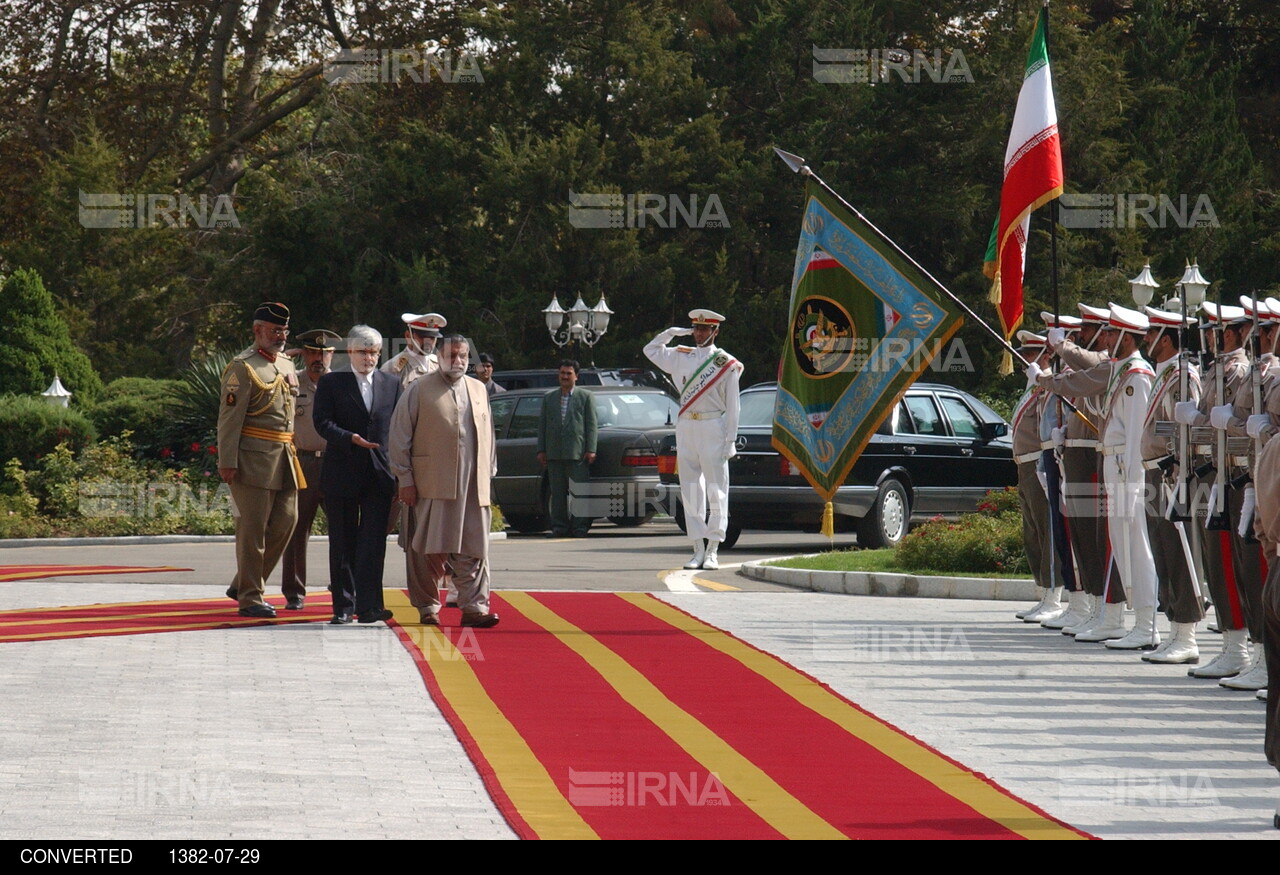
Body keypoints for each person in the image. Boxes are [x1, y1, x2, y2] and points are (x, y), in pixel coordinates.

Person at [389, 334, 500, 628]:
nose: (459, 361)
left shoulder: (478, 389)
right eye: (452, 355)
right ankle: (427, 606)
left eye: (463, 356)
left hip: (472, 488)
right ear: (439, 357)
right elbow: (399, 438)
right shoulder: (418, 389)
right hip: (430, 486)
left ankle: (474, 607)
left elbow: (489, 437)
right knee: (426, 550)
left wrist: (488, 477)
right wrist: (405, 480)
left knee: (474, 549)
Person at [217, 302, 303, 619]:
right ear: (257, 331)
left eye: (284, 330)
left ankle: (243, 582)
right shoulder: (243, 366)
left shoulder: (286, 363)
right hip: (252, 460)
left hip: (284, 458)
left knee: (286, 522)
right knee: (252, 532)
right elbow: (229, 419)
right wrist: (227, 461)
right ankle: (250, 598)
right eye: (274, 330)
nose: (280, 336)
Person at [313, 325, 402, 625]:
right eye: (364, 351)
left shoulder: (392, 383)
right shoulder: (332, 382)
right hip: (342, 471)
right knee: (342, 541)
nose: (370, 358)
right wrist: (349, 438)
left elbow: (399, 428)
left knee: (373, 543)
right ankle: (343, 606)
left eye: (375, 352)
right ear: (350, 351)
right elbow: (322, 422)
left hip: (379, 474)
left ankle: (370, 606)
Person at [644, 308, 743, 571]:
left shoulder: (726, 363)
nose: (699, 333)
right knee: (690, 489)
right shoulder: (680, 355)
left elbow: (734, 406)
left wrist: (730, 439)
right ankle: (697, 548)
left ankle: (713, 549)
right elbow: (650, 350)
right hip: (687, 425)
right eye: (696, 329)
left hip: (713, 426)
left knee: (716, 490)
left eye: (704, 329)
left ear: (715, 331)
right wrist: (671, 333)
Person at [381, 311, 453, 606]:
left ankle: (437, 590)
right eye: (424, 337)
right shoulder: (394, 368)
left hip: (434, 464)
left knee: (435, 528)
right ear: (409, 335)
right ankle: (358, 582)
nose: (430, 343)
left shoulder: (442, 365)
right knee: (382, 525)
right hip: (401, 462)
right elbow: (384, 416)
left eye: (434, 338)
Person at [280, 328, 341, 611]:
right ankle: (294, 592)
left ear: (332, 355)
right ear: (303, 354)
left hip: (335, 462)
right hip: (302, 461)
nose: (319, 358)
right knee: (296, 529)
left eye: (324, 353)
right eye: (313, 352)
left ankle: (342, 585)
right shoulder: (291, 382)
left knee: (343, 529)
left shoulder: (342, 384)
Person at [537, 359, 598, 537]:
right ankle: (559, 528)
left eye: (568, 374)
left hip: (578, 454)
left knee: (579, 493)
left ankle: (580, 528)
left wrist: (591, 449)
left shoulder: (585, 397)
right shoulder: (549, 398)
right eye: (562, 373)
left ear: (576, 376)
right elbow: (543, 426)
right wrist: (541, 449)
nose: (564, 377)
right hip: (554, 453)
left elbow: (591, 425)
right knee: (557, 495)